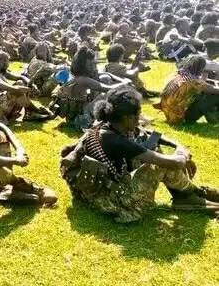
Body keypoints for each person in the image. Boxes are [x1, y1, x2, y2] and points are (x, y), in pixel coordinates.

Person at [60, 87, 219, 223]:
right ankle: (191, 194)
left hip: (95, 193)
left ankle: (188, 194)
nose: (139, 119)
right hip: (112, 202)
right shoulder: (116, 141)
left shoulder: (107, 125)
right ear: (127, 118)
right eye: (137, 116)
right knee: (158, 164)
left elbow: (146, 132)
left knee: (155, 150)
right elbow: (173, 163)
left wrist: (177, 145)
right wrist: (183, 154)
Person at [50, 46, 130, 130]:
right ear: (82, 65)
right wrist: (125, 83)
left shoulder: (78, 76)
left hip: (77, 116)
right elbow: (107, 89)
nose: (93, 67)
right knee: (106, 94)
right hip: (79, 121)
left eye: (94, 64)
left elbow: (106, 74)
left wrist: (121, 80)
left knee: (105, 78)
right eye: (91, 64)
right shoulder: (82, 79)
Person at [0, 50, 53, 124]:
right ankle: (34, 110)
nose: (8, 64)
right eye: (7, 61)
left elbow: (20, 77)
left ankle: (30, 112)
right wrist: (30, 89)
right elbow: (14, 89)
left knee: (20, 83)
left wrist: (30, 84)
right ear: (0, 62)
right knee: (14, 92)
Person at [155, 55, 219, 124]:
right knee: (212, 96)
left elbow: (203, 83)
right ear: (201, 68)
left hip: (167, 110)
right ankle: (213, 114)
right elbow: (212, 89)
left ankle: (212, 113)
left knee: (202, 94)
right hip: (178, 115)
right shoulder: (193, 81)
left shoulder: (179, 74)